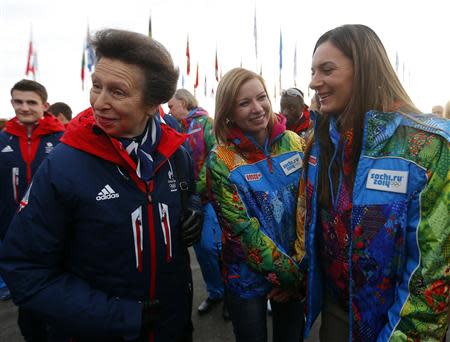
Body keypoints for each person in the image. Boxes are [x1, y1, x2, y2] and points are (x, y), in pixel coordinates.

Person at [0, 28, 203, 342]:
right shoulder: (63, 165)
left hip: (172, 328)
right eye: (96, 86)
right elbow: (25, 269)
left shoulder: (177, 154)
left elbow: (188, 196)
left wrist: (192, 212)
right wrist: (117, 316)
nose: (99, 102)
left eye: (117, 92)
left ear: (153, 104)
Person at [302, 24, 449, 342]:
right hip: (336, 311)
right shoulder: (319, 142)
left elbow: (432, 274)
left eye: (327, 70)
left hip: (393, 322)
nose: (314, 82)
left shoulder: (429, 148)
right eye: (313, 71)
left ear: (364, 68)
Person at [205, 67, 307, 342]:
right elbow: (242, 233)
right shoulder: (221, 160)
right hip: (247, 278)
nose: (257, 108)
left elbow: (307, 212)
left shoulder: (295, 143)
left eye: (261, 97)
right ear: (228, 111)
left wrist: (300, 269)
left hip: (296, 270)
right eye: (244, 103)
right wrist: (291, 277)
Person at [0, 79, 65, 339]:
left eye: (31, 102)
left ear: (44, 105)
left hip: (55, 237)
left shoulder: (63, 139)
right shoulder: (2, 140)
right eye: (18, 101)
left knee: (59, 304)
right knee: (28, 312)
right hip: (12, 238)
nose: (24, 107)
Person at [168, 89, 227, 318]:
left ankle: (229, 293)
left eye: (172, 106)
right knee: (201, 250)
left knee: (214, 247)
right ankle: (215, 292)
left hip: (209, 197)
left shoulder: (205, 124)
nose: (169, 110)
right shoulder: (176, 128)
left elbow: (216, 154)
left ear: (184, 102)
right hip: (187, 200)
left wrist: (198, 188)